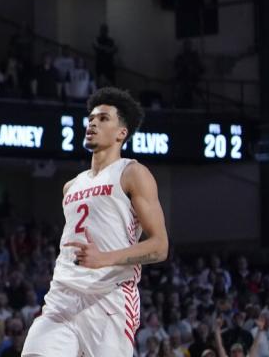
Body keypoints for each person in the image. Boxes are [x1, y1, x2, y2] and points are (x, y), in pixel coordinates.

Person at [23, 87, 169, 357]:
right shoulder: (71, 186)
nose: (92, 123)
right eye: (91, 118)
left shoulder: (132, 173)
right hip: (62, 297)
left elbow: (160, 246)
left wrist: (105, 258)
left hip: (109, 299)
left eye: (103, 119)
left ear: (121, 133)